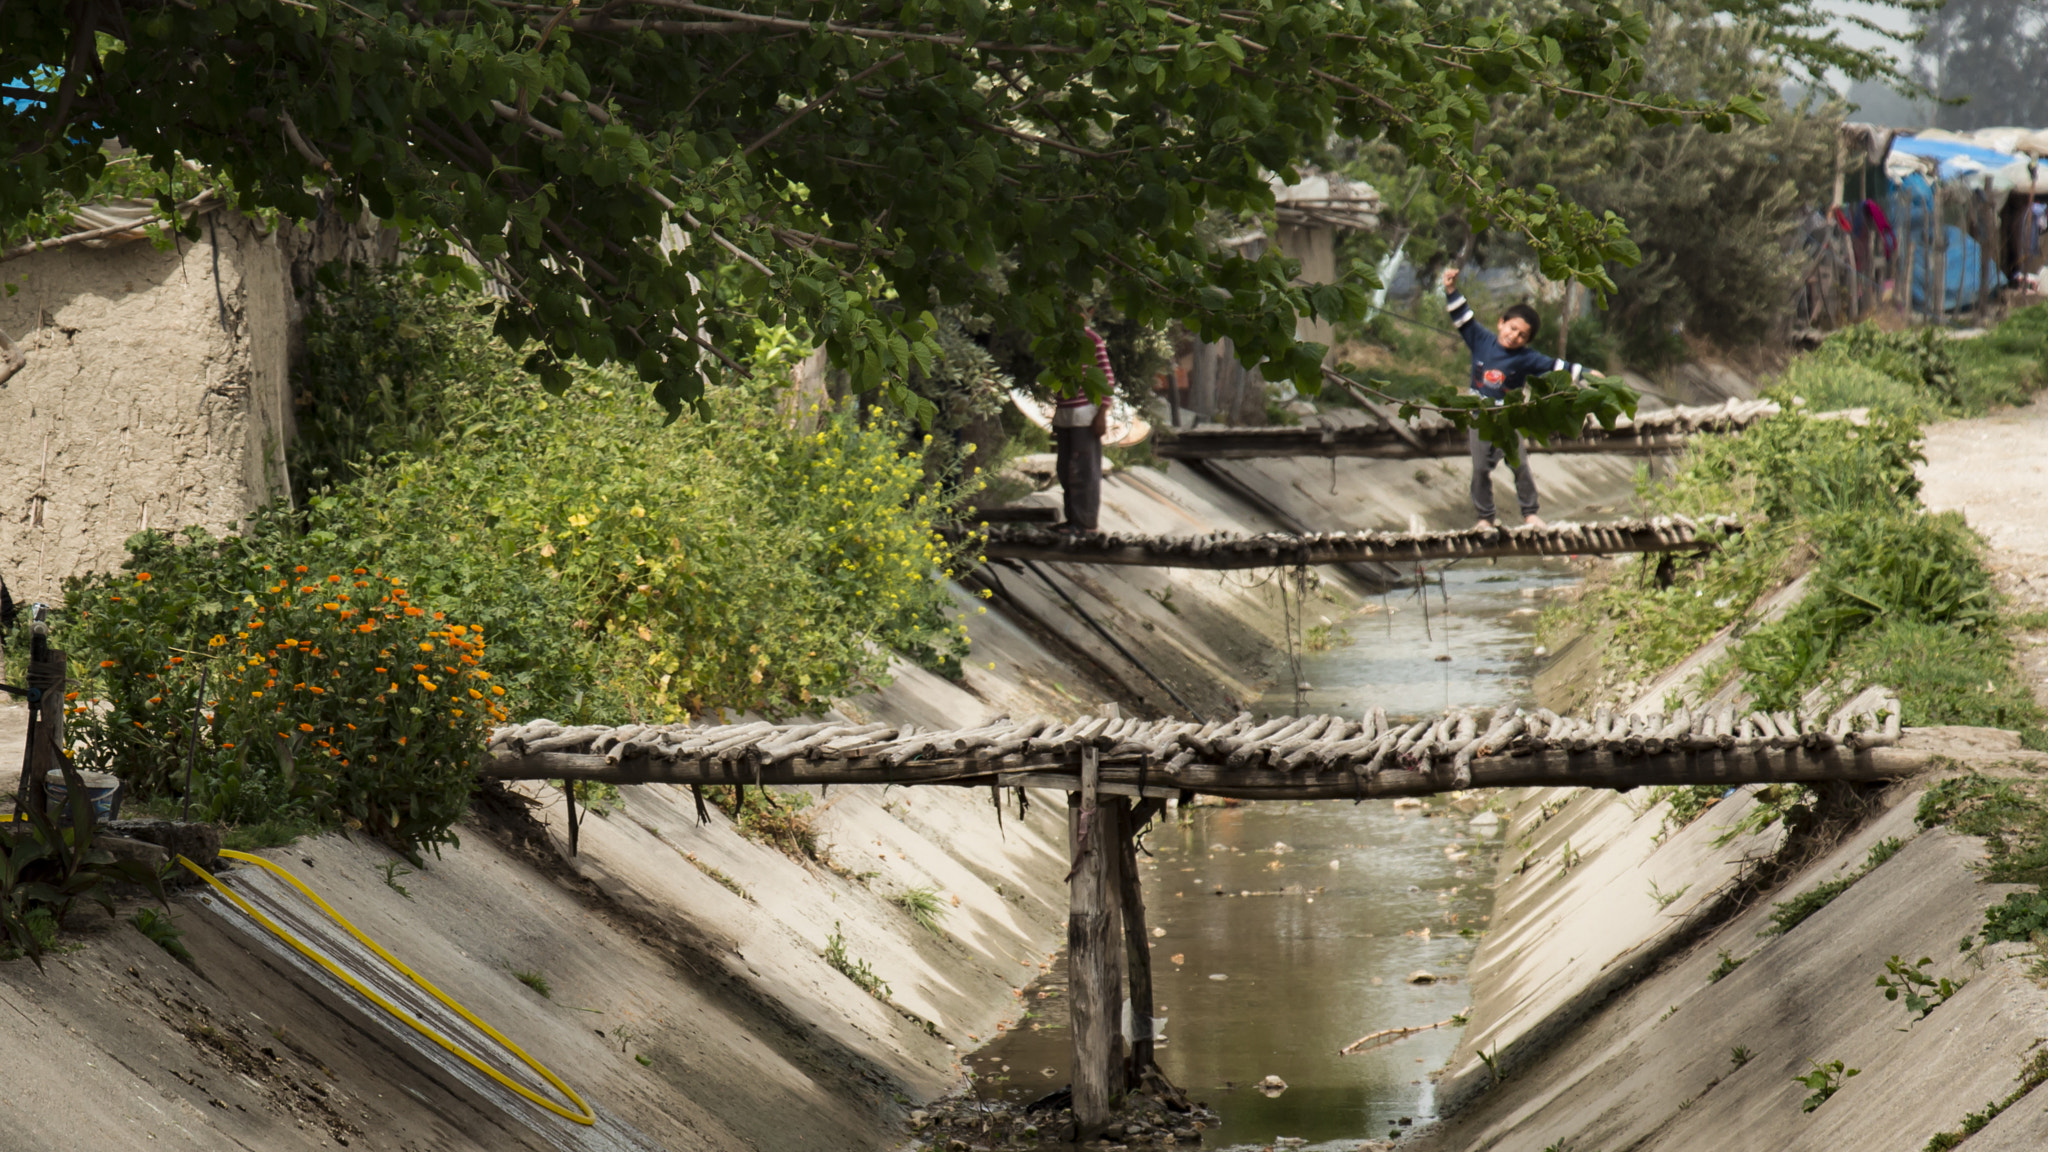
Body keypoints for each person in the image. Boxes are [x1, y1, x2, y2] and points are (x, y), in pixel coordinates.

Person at [1441, 266, 1605, 529]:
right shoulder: (1481, 340)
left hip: (1509, 418)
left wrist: (1589, 374)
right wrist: (1450, 288)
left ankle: (1530, 513)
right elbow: (1463, 317)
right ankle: (1485, 518)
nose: (1514, 336)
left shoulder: (1528, 358)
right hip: (1478, 416)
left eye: (1522, 335)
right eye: (1512, 328)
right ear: (1501, 322)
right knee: (1481, 468)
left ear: (1527, 340)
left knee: (1520, 465)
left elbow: (1558, 366)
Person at [1052, 320, 1115, 533]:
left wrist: (1102, 413)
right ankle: (1072, 519)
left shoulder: (1092, 340)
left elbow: (1107, 379)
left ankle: (1085, 523)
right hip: (1065, 415)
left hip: (1085, 416)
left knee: (1084, 470)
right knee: (1065, 469)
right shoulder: (1059, 340)